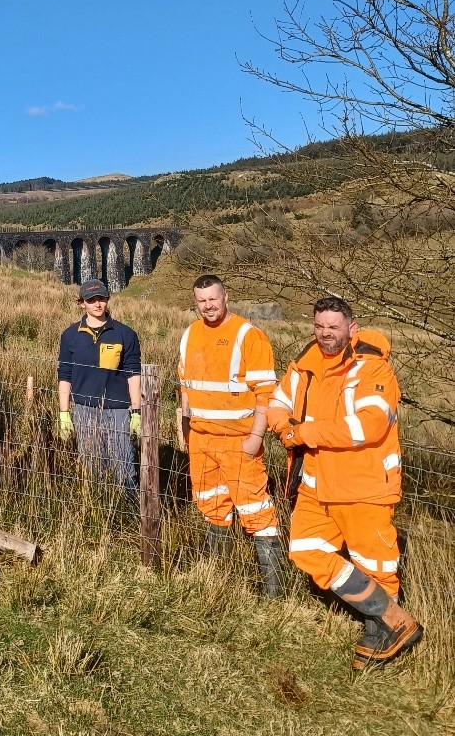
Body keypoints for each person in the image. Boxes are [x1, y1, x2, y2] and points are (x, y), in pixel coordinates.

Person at [268, 296, 422, 669]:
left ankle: (381, 633)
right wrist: (286, 428)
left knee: (376, 565)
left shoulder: (372, 369)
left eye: (333, 327)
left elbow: (369, 425)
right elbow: (277, 404)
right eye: (319, 326)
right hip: (316, 485)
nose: (325, 333)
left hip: (363, 486)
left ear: (351, 328)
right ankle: (393, 621)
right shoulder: (305, 364)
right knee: (305, 550)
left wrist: (303, 432)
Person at [177, 274, 286, 596]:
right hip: (201, 440)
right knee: (212, 506)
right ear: (195, 303)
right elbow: (185, 388)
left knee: (256, 511)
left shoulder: (248, 335)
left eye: (213, 299)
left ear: (225, 297)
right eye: (202, 301)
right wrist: (185, 428)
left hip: (238, 441)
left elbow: (266, 394)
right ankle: (215, 581)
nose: (208, 306)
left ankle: (274, 595)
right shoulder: (190, 334)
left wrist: (256, 437)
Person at [56, 279, 141, 498]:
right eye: (91, 299)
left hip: (118, 409)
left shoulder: (125, 334)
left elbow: (133, 374)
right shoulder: (70, 335)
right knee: (92, 465)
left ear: (108, 299)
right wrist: (64, 413)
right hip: (84, 409)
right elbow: (64, 375)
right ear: (81, 303)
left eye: (101, 298)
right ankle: (96, 505)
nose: (97, 304)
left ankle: (129, 507)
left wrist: (136, 411)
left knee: (124, 464)